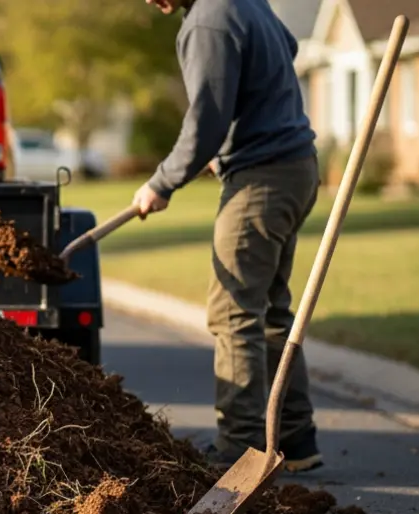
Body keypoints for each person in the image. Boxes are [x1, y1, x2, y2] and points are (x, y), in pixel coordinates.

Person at [137, 0, 323, 473]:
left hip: (261, 179)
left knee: (233, 310)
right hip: (295, 168)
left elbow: (206, 119)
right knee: (270, 309)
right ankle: (296, 441)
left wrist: (162, 183)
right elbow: (288, 46)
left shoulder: (208, 19)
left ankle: (239, 448)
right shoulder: (243, 3)